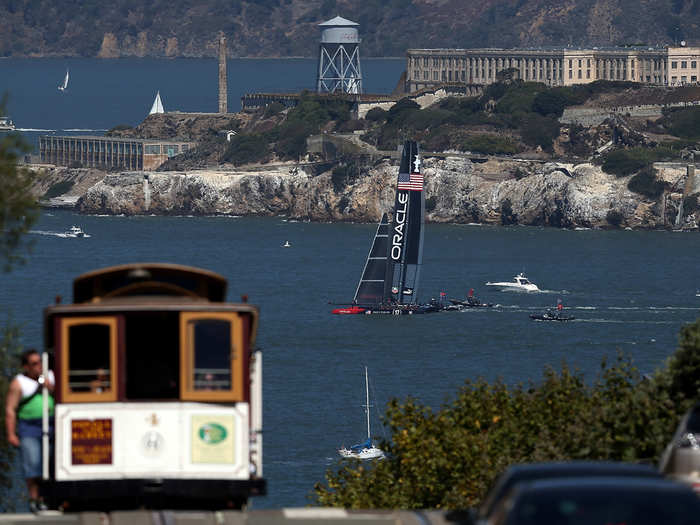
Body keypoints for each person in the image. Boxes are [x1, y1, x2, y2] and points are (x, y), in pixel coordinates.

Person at [5, 348, 55, 513]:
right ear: (26, 367)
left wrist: (50, 385)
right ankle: (35, 499)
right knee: (33, 464)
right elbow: (10, 409)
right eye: (34, 364)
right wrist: (11, 433)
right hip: (29, 428)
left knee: (50, 463)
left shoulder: (48, 378)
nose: (38, 366)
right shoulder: (19, 383)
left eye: (39, 362)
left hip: (51, 425)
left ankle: (48, 499)